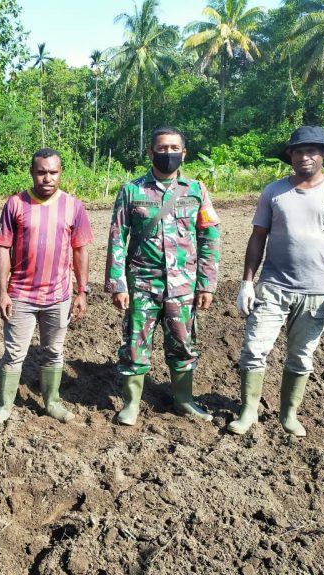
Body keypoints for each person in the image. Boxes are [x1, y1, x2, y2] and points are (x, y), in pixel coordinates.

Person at [228, 125, 324, 437]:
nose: (305, 156)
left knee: (301, 355)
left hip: (316, 290)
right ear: (290, 155)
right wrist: (247, 282)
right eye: (298, 151)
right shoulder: (274, 192)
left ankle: (288, 413)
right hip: (273, 285)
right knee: (254, 348)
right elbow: (257, 237)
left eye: (312, 150)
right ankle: (248, 410)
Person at [105, 126, 221, 426]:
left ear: (184, 152)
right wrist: (118, 284)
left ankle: (183, 399)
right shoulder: (132, 190)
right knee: (135, 343)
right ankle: (131, 404)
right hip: (142, 283)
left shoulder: (196, 190)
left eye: (173, 148)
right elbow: (118, 238)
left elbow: (209, 237)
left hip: (183, 285)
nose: (167, 154)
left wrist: (207, 284)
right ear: (150, 152)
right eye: (161, 148)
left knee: (183, 342)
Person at [0, 148, 93, 430]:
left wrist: (82, 291)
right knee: (14, 353)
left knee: (54, 351)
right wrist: (2, 291)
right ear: (32, 172)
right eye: (41, 172)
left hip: (58, 296)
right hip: (21, 295)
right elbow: (3, 249)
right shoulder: (15, 205)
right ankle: (4, 406)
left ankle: (52, 402)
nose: (47, 178)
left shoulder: (73, 206)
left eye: (53, 172)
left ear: (60, 173)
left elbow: (80, 250)